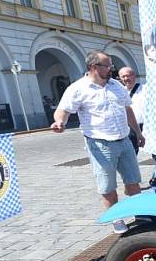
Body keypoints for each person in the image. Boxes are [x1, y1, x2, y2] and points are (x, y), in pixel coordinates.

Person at [51, 51, 144, 218]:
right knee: (107, 187)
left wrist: (137, 132)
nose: (111, 69)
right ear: (94, 67)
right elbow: (63, 110)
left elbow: (127, 109)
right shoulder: (78, 88)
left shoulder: (115, 85)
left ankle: (139, 215)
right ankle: (116, 220)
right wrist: (60, 122)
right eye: (108, 66)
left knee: (133, 181)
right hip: (101, 144)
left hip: (124, 140)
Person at [118, 67, 145, 155]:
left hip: (146, 126)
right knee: (131, 154)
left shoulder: (145, 89)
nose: (126, 79)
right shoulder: (119, 92)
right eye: (123, 77)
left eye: (128, 76)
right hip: (130, 128)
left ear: (134, 76)